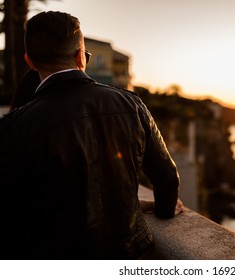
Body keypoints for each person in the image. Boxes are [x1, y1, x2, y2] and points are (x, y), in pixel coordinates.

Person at [0, 11, 182, 259]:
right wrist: (163, 210)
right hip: (130, 253)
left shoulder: (13, 127)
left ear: (30, 61)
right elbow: (167, 179)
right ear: (80, 57)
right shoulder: (131, 105)